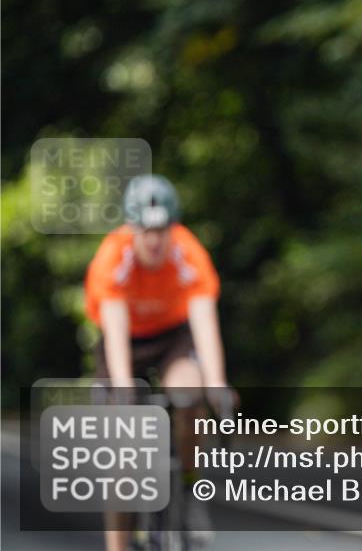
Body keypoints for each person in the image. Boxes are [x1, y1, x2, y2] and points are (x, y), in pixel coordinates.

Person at [84, 174, 233, 551]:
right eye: (146, 231)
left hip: (171, 339)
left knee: (189, 393)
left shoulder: (189, 254)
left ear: (173, 228)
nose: (154, 240)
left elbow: (204, 323)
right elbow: (115, 332)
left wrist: (217, 384)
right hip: (126, 341)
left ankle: (188, 482)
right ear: (131, 229)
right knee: (123, 454)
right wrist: (124, 391)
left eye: (162, 231)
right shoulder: (113, 258)